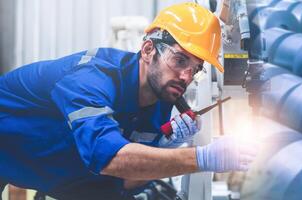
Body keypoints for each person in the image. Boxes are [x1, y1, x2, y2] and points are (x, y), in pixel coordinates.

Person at [0, 3, 256, 200]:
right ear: (147, 50)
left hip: (47, 170)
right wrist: (201, 158)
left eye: (195, 69)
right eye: (179, 60)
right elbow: (108, 157)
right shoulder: (92, 79)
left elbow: (125, 180)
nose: (186, 76)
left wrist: (168, 149)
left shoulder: (161, 100)